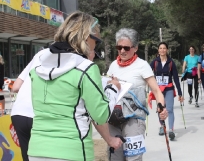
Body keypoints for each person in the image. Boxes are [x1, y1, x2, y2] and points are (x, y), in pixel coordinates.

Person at [11, 11, 123, 161]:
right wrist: (113, 89)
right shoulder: (86, 68)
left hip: (37, 149)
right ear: (86, 37)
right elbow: (101, 115)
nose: (95, 46)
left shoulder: (38, 65)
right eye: (96, 41)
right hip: (73, 149)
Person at [107, 28, 168, 161]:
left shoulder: (142, 65)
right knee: (114, 158)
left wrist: (162, 107)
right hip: (113, 119)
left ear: (135, 48)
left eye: (126, 48)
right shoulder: (113, 66)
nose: (122, 51)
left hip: (134, 119)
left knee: (133, 158)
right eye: (119, 47)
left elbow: (156, 90)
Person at [150, 42, 184, 140]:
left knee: (169, 109)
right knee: (160, 108)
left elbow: (176, 79)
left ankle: (171, 130)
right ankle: (162, 126)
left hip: (169, 88)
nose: (162, 50)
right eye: (160, 48)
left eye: (164, 48)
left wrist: (180, 93)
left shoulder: (171, 62)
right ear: (158, 50)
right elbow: (147, 72)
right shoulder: (155, 62)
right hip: (158, 90)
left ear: (167, 50)